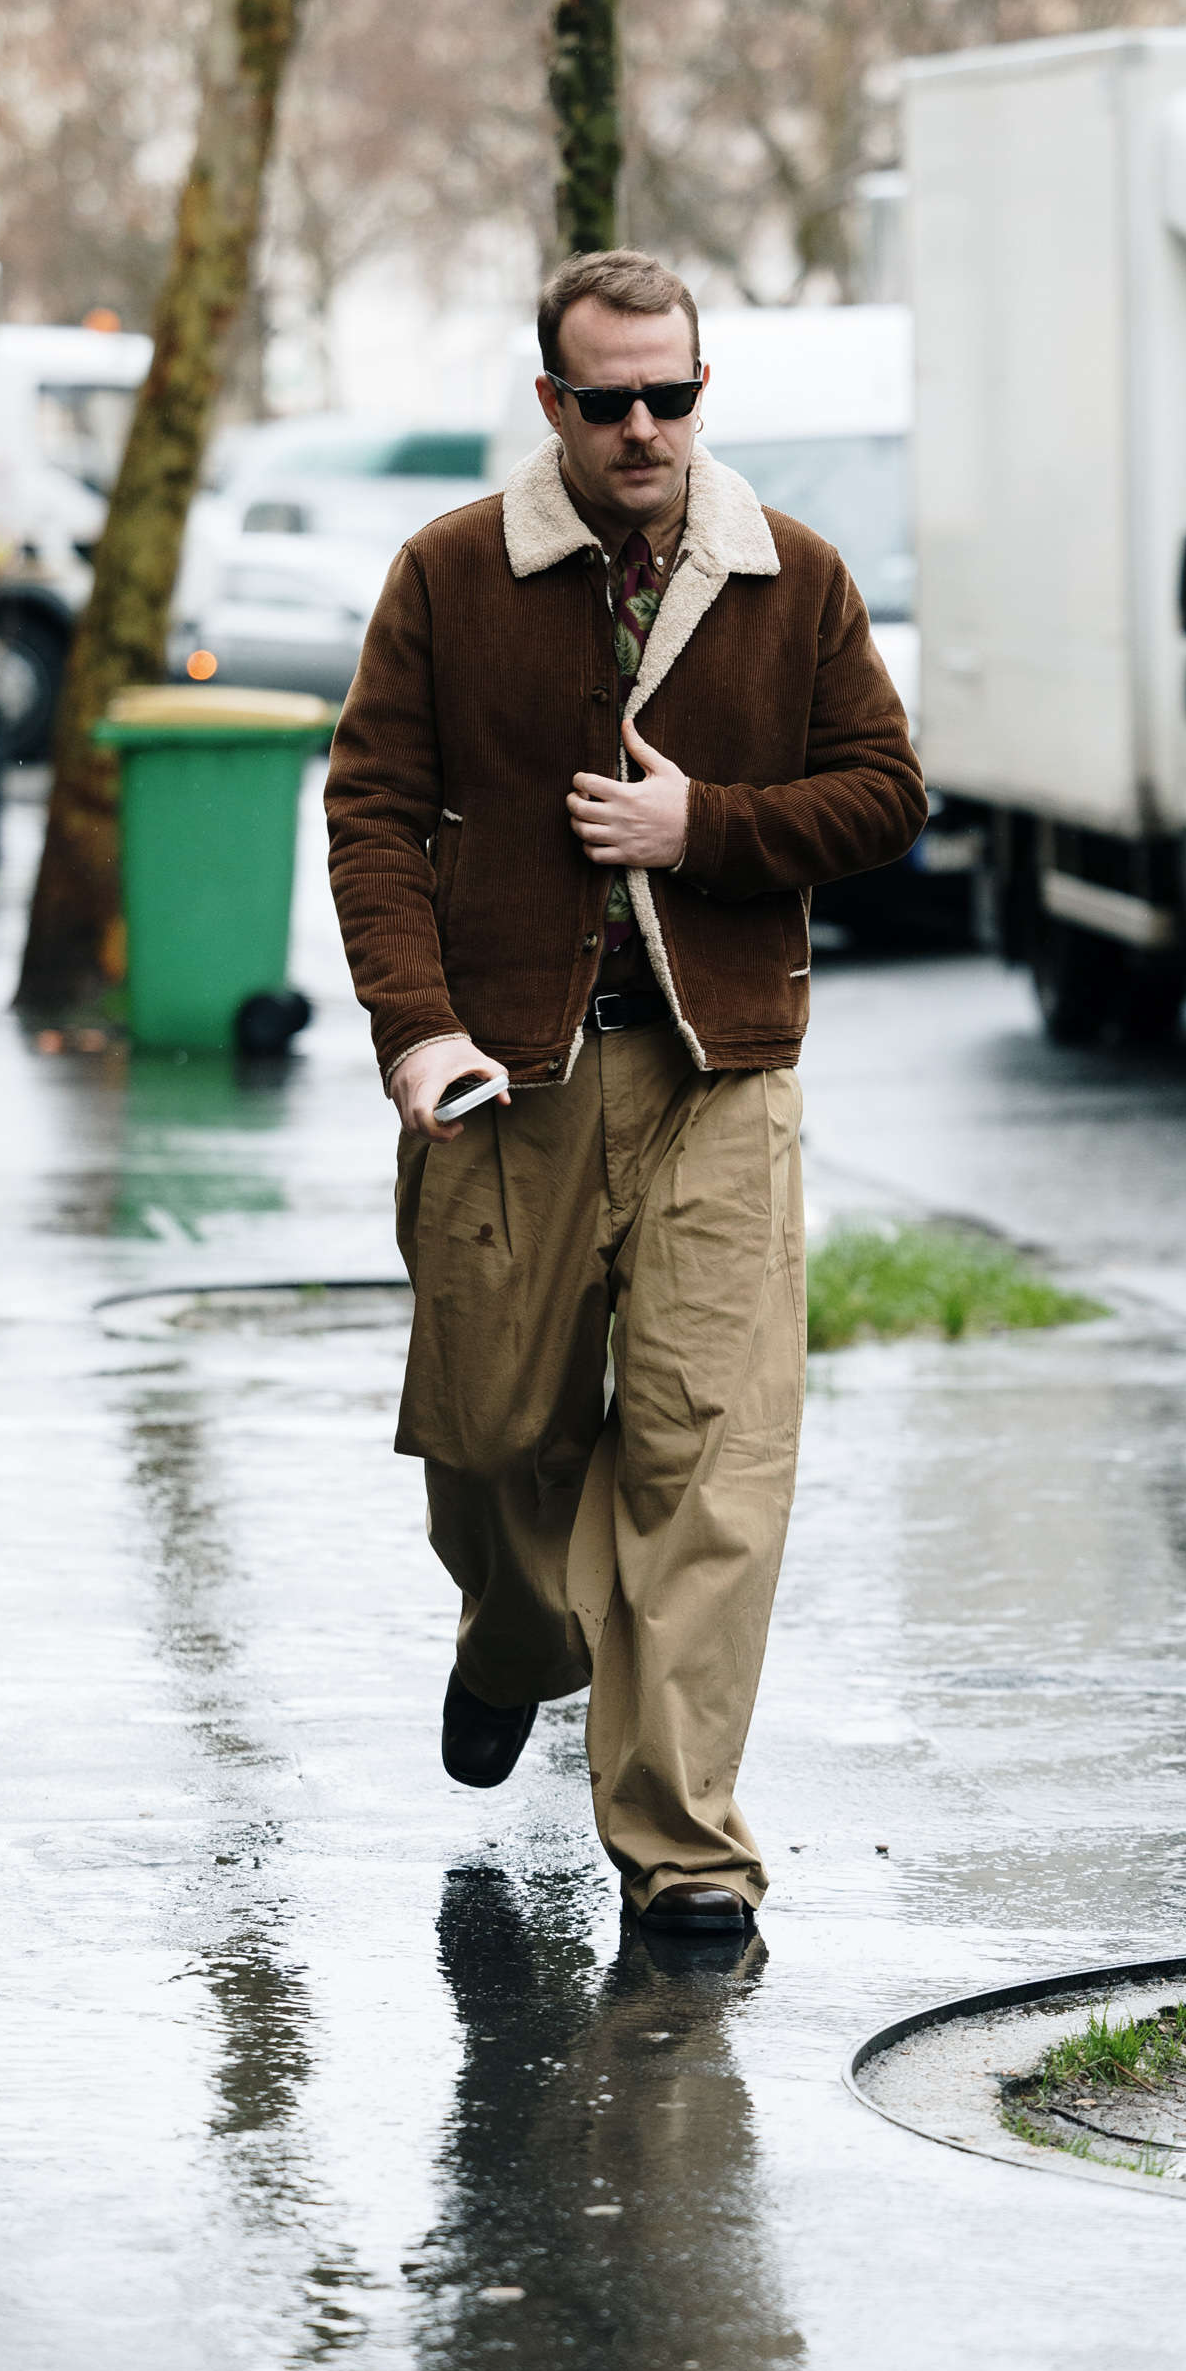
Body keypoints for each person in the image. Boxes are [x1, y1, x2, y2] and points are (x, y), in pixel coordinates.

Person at [325, 249, 924, 1934]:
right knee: (492, 1434)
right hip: (503, 1079)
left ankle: (684, 1853)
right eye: (611, 402)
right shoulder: (448, 576)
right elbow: (370, 812)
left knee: (710, 1461)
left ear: (700, 391)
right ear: (553, 405)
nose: (646, 426)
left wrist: (705, 829)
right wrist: (414, 1029)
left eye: (674, 394)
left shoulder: (788, 578)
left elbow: (884, 792)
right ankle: (518, 1640)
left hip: (722, 1072)